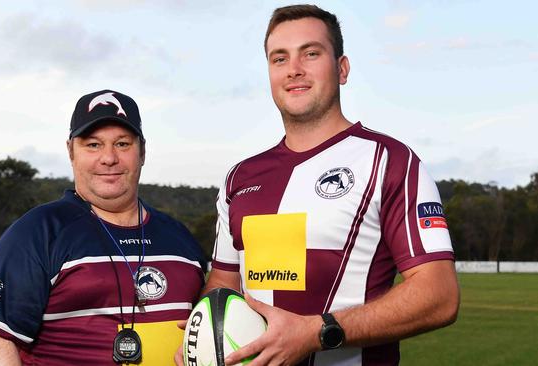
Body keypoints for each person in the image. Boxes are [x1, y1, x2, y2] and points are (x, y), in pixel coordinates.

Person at [184, 5, 460, 366]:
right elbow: (223, 283)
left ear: (342, 69)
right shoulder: (241, 177)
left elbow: (439, 295)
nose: (294, 69)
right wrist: (201, 339)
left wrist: (317, 332)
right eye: (279, 59)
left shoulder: (390, 161)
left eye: (311, 53)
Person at [0, 89, 207, 365]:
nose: (108, 158)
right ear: (71, 151)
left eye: (122, 144)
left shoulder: (180, 238)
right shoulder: (36, 233)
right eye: (93, 145)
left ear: (142, 152)